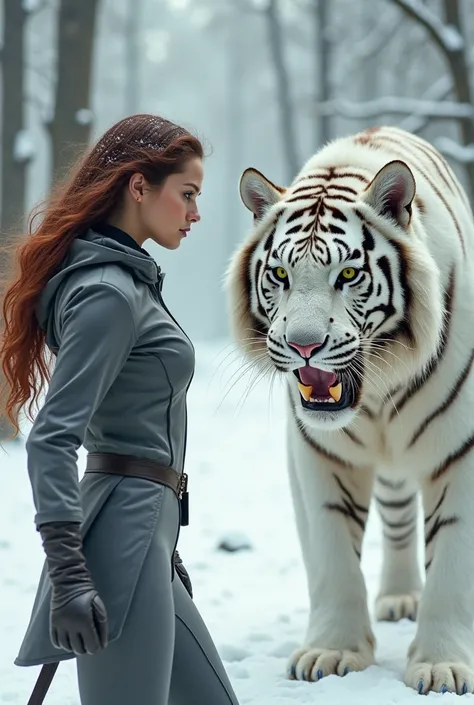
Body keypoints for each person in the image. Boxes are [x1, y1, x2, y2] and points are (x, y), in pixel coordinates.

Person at [0, 114, 241, 705]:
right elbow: (52, 439)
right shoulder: (108, 292)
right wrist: (70, 576)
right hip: (118, 550)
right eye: (186, 194)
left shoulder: (124, 284)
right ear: (138, 186)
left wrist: (163, 541)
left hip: (143, 540)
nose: (195, 212)